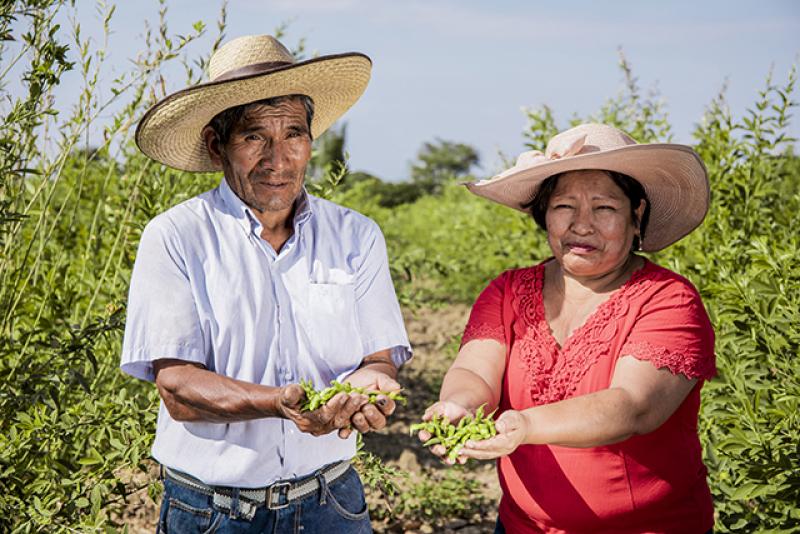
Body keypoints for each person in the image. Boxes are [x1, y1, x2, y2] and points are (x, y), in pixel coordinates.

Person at [120, 35, 411, 533]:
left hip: (331, 501)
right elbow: (177, 388)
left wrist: (372, 387)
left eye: (294, 134)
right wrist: (280, 402)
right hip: (213, 512)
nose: (279, 159)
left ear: (310, 142)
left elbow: (378, 358)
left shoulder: (356, 235)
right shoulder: (175, 237)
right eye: (255, 136)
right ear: (217, 146)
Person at [418, 123, 716, 533]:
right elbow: (475, 370)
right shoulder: (508, 291)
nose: (581, 224)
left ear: (637, 215)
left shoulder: (667, 300)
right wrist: (460, 405)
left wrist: (524, 426)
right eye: (563, 207)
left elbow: (633, 405)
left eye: (604, 208)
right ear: (544, 215)